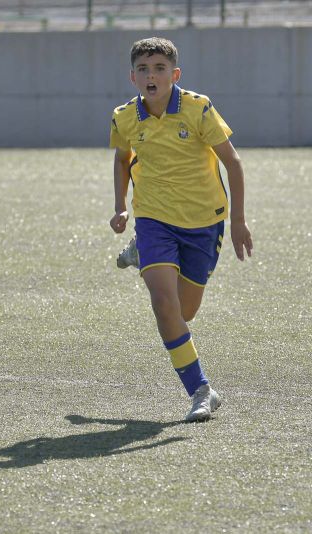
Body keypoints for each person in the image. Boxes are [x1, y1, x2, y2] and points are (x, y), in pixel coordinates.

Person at [108, 37, 253, 422]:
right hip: (154, 219)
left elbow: (233, 163)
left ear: (174, 75)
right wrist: (121, 207)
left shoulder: (197, 108)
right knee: (164, 304)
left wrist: (237, 221)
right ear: (133, 77)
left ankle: (140, 251)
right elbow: (123, 160)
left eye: (159, 69)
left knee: (184, 311)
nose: (150, 75)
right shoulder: (124, 117)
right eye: (143, 69)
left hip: (205, 223)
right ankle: (200, 389)